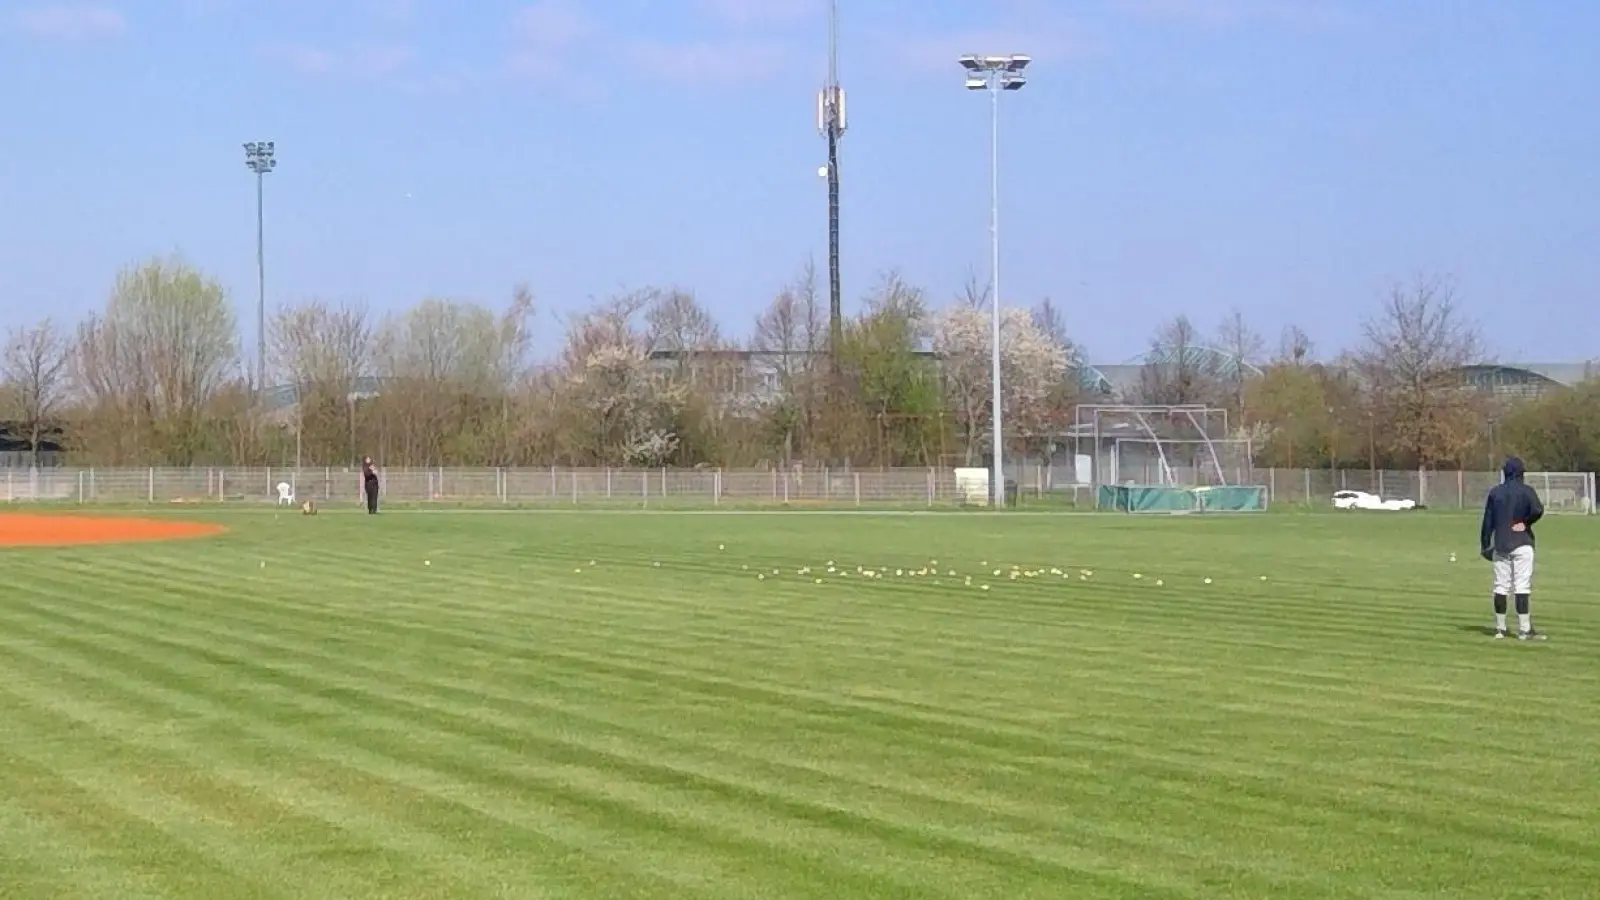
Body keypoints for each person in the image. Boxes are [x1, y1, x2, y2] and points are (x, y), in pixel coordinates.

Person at [1480, 455, 1544, 640]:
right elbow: (1538, 510)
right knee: (1522, 586)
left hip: (1501, 544)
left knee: (1501, 586)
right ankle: (1524, 630)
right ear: (1520, 473)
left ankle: (1500, 628)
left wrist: (1485, 546)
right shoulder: (1526, 491)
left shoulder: (1495, 493)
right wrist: (1525, 522)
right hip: (1522, 543)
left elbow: (1487, 522)